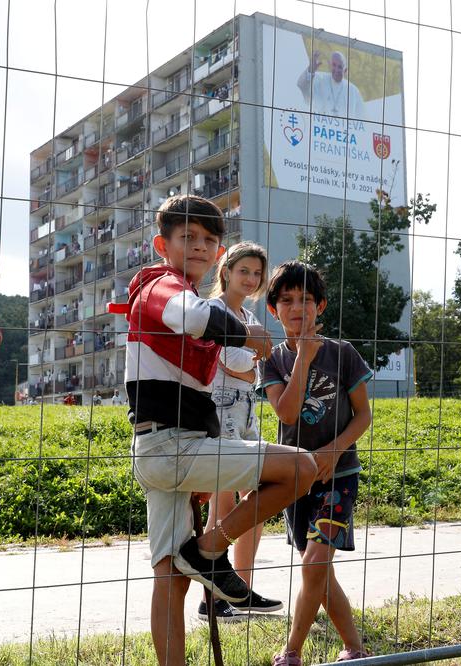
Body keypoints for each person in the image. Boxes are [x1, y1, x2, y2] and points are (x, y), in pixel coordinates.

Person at [124, 195, 316, 666]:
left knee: (170, 573)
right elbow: (192, 316)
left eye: (209, 239)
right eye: (187, 237)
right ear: (160, 244)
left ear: (218, 251)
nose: (199, 246)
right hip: (171, 447)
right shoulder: (159, 286)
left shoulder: (171, 289)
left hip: (166, 446)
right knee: (301, 468)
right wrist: (248, 334)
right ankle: (211, 547)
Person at [259, 261, 373, 665]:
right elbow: (287, 415)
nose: (296, 308)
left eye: (305, 300)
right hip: (294, 478)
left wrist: (334, 449)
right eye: (286, 300)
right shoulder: (272, 360)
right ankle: (355, 649)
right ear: (273, 310)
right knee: (317, 572)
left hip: (339, 474)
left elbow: (364, 416)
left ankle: (292, 651)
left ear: (320, 306)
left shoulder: (344, 353)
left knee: (315, 562)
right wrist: (302, 360)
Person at [199, 241, 284, 622]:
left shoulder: (246, 317)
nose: (250, 279)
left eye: (256, 273)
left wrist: (248, 364)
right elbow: (230, 362)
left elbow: (254, 369)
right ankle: (214, 597)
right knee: (223, 503)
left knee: (257, 497)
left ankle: (240, 589)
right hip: (219, 412)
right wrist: (250, 362)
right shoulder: (213, 311)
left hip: (244, 411)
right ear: (226, 271)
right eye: (243, 271)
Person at [296, 50, 366, 118]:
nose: (336, 69)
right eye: (334, 65)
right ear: (330, 65)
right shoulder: (319, 78)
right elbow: (301, 85)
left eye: (340, 67)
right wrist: (310, 70)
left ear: (345, 70)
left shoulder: (353, 91)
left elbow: (362, 117)